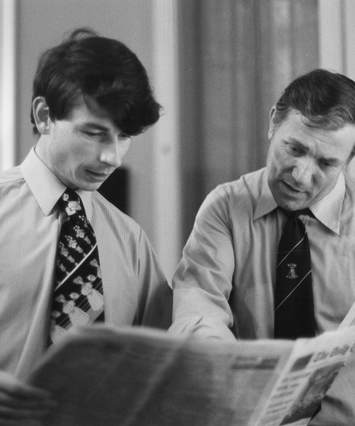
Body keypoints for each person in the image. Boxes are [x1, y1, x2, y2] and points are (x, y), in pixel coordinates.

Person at [0, 28, 172, 425]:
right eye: (93, 133)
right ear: (44, 116)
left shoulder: (131, 242)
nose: (112, 156)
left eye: (124, 137)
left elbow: (160, 368)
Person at [170, 69, 355, 425]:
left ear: (348, 161)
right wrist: (236, 392)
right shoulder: (225, 208)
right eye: (295, 149)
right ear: (273, 122)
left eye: (326, 163)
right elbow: (198, 311)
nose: (300, 175)